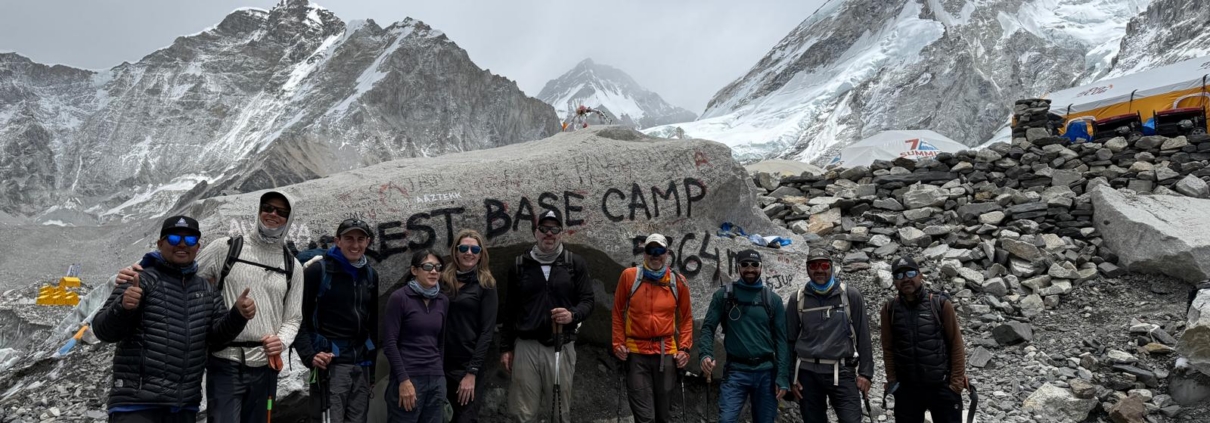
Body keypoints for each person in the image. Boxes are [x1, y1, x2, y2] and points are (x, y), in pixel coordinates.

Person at [116, 191, 305, 423]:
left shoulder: (293, 266)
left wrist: (282, 341)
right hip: (224, 360)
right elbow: (181, 272)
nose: (272, 214)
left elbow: (294, 317)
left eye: (281, 211)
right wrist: (143, 269)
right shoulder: (225, 248)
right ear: (259, 210)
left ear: (290, 217)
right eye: (267, 207)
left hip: (265, 366)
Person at [94, 216, 255, 422]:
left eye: (189, 241)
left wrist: (237, 316)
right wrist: (124, 307)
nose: (181, 244)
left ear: (197, 247)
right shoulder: (139, 279)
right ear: (160, 243)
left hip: (183, 406)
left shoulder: (206, 290)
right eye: (173, 238)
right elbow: (103, 331)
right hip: (137, 404)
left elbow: (215, 339)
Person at [500, 210, 594, 422]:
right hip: (526, 345)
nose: (548, 234)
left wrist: (573, 315)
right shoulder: (519, 265)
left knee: (559, 411)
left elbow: (588, 301)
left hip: (561, 343)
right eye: (544, 229)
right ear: (536, 232)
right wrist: (506, 347)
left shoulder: (574, 263)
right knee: (522, 412)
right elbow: (510, 309)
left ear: (561, 233)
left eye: (554, 229)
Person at [294, 219, 380, 423]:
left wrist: (373, 373)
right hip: (330, 364)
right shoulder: (318, 271)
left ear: (367, 242)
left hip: (361, 363)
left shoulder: (370, 275)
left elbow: (373, 323)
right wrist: (309, 355)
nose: (355, 245)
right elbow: (298, 317)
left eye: (360, 239)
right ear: (337, 241)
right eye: (349, 238)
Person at [698, 250, 789, 423]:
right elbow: (708, 327)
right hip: (736, 371)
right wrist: (705, 354)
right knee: (726, 420)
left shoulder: (772, 300)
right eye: (745, 264)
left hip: (766, 373)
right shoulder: (724, 296)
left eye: (754, 265)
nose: (750, 269)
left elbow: (782, 341)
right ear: (738, 267)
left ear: (761, 267)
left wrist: (782, 377)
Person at [611, 233, 693, 423]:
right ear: (644, 253)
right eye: (651, 250)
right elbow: (617, 312)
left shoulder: (678, 281)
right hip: (636, 353)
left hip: (666, 353)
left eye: (659, 251)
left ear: (667, 253)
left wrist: (685, 349)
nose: (655, 255)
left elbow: (686, 318)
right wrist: (618, 344)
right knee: (645, 417)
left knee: (663, 416)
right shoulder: (629, 276)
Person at [786, 249, 874, 423]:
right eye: (813, 265)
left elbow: (863, 335)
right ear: (807, 268)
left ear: (832, 267)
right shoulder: (797, 299)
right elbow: (789, 340)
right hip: (807, 374)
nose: (819, 270)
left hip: (841, 371)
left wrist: (865, 373)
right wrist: (791, 377)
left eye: (824, 265)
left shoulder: (850, 295)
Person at [880, 256, 967, 423]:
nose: (905, 279)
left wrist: (955, 384)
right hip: (907, 389)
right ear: (894, 281)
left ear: (920, 275)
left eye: (910, 273)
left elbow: (956, 343)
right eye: (899, 276)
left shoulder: (940, 304)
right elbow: (888, 348)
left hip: (941, 386)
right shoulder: (889, 309)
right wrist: (892, 381)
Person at [383, 249, 450, 423]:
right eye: (427, 266)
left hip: (435, 379)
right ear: (414, 270)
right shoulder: (399, 298)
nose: (434, 271)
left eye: (438, 267)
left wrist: (440, 375)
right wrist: (403, 380)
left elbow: (440, 343)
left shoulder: (443, 301)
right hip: (409, 378)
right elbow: (389, 343)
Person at [440, 229, 499, 423]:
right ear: (456, 251)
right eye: (464, 248)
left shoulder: (486, 284)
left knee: (465, 419)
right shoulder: (442, 281)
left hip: (467, 365)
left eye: (475, 249)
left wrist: (472, 372)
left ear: (481, 254)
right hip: (439, 363)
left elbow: (486, 331)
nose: (469, 253)